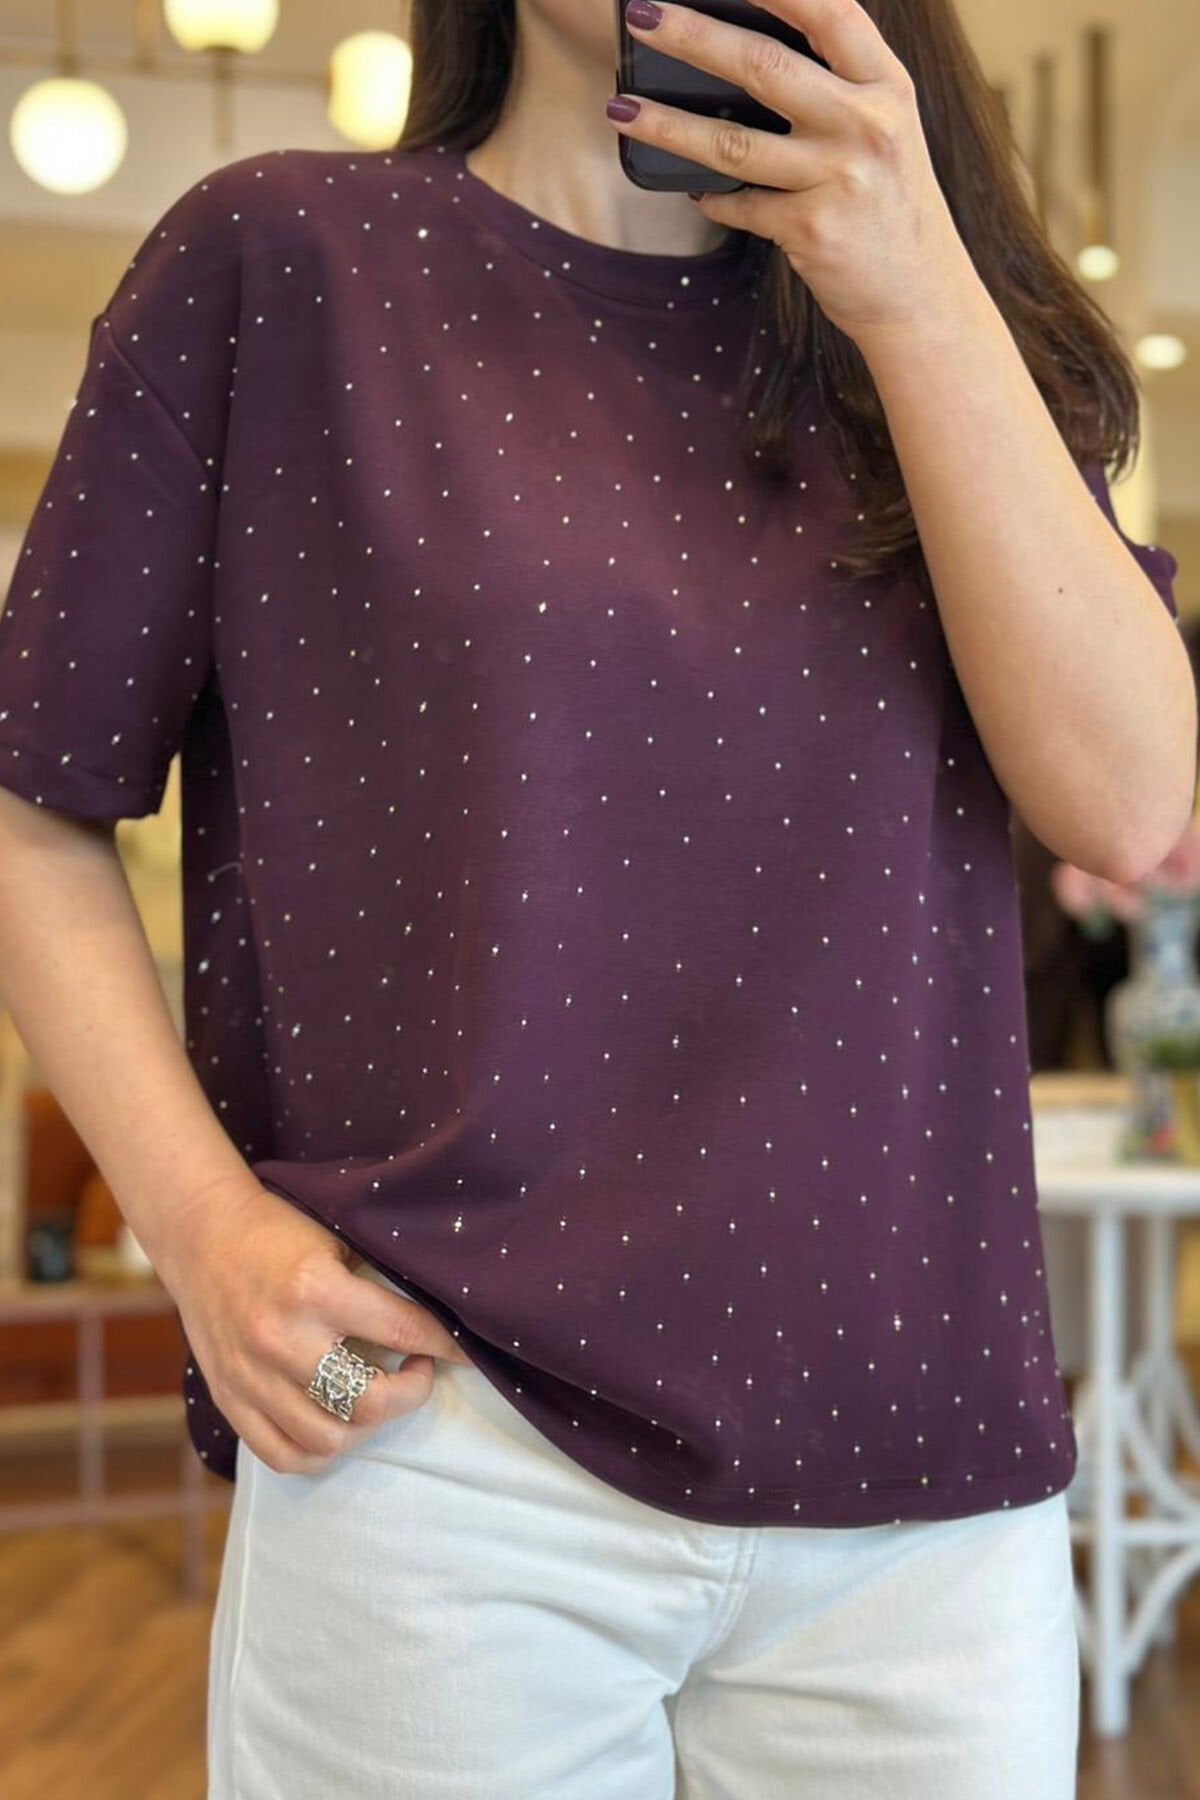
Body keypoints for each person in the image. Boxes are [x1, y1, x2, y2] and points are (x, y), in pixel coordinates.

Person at [0, 1, 1193, 1794]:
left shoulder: (936, 327)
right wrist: (198, 1226)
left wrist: (919, 287)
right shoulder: (281, 264)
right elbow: (33, 797)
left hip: (922, 1505)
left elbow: (1128, 795)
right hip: (437, 1449)